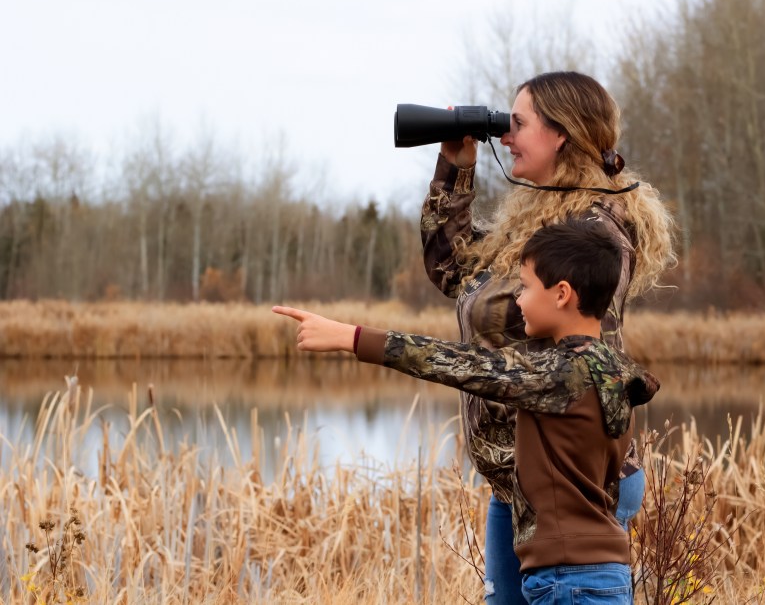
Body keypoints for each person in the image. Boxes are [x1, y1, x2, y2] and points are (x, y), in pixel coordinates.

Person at [272, 219, 660, 604]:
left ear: (562, 294)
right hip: (603, 570)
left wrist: (350, 337)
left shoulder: (557, 373)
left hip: (568, 579)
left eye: (524, 288)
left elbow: (459, 362)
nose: (518, 300)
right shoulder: (614, 370)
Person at [421, 71, 677, 603]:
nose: (505, 137)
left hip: (568, 481)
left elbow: (537, 334)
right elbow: (452, 269)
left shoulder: (595, 231)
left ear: (561, 135)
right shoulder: (539, 224)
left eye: (517, 125)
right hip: (519, 479)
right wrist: (456, 168)